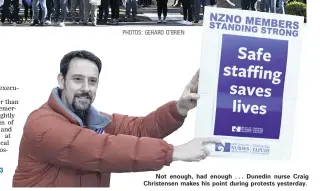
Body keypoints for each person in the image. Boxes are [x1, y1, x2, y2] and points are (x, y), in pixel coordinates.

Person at [12, 50, 219, 187]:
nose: (85, 88)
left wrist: (179, 108)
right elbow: (101, 150)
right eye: (77, 79)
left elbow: (141, 129)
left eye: (92, 81)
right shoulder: (42, 124)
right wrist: (174, 152)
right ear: (61, 80)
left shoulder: (96, 121)